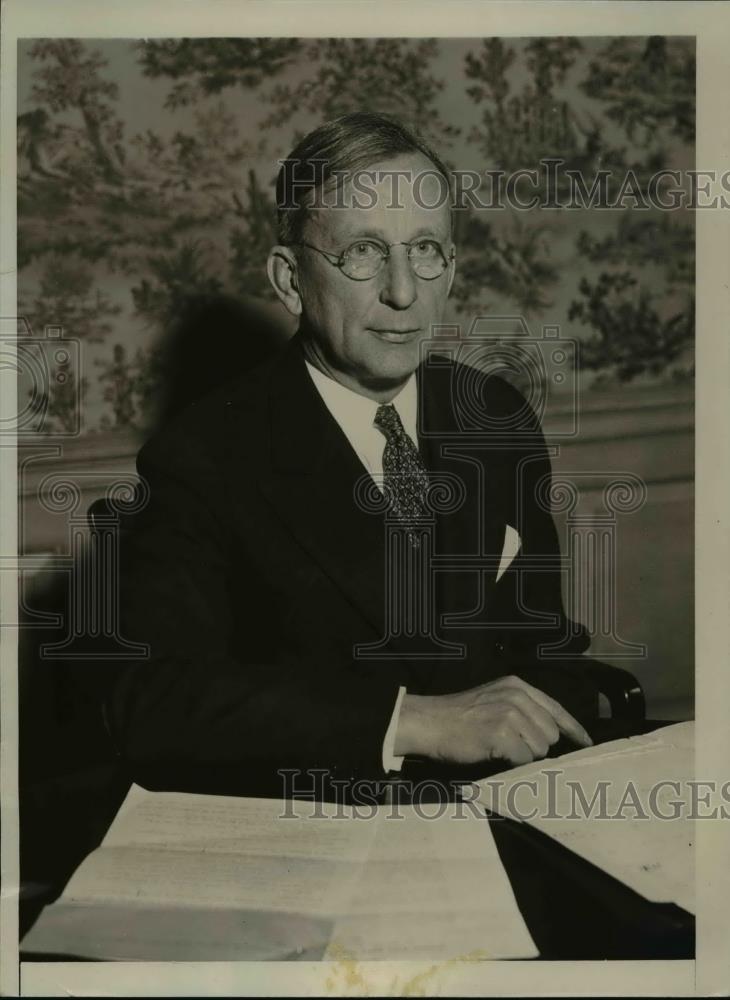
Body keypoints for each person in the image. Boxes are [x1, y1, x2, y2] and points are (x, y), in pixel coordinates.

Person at [107, 111, 599, 798]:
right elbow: (155, 703)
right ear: (289, 280)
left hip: (499, 816)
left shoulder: (494, 417)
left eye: (425, 250)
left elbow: (547, 649)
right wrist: (410, 725)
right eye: (363, 253)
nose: (403, 293)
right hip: (319, 827)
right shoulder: (202, 457)